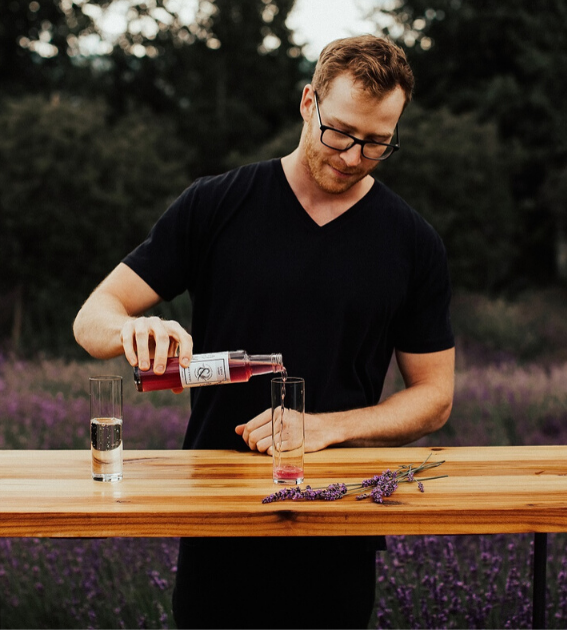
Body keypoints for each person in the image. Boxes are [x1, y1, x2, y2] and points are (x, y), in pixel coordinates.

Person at [73, 34, 455, 629]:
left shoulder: (413, 243)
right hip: (214, 518)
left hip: (338, 522)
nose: (353, 157)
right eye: (340, 132)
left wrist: (324, 428)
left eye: (377, 142)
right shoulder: (214, 204)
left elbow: (434, 398)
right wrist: (133, 327)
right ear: (308, 103)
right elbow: (92, 317)